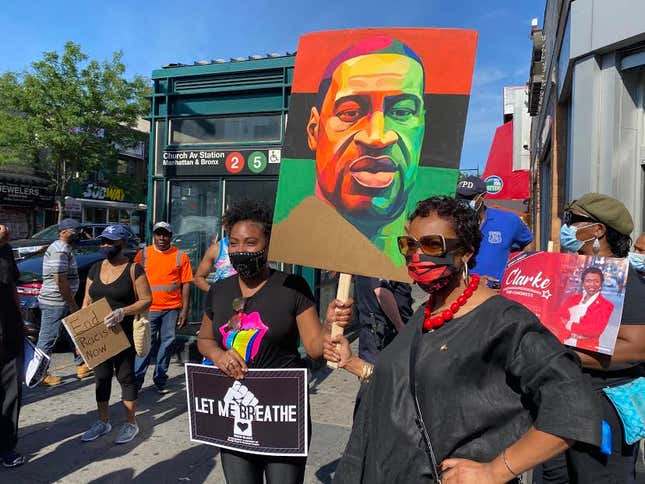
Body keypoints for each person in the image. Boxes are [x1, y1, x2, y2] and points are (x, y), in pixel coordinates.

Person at [325, 196, 601, 484]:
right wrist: (353, 362)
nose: (417, 256)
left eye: (433, 245)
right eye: (409, 245)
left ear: (466, 253)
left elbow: (575, 406)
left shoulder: (507, 322)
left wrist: (496, 470)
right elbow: (406, 385)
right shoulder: (427, 312)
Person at [197, 199, 352, 484]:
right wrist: (219, 356)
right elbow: (205, 339)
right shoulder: (218, 291)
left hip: (281, 413)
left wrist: (331, 324)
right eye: (233, 243)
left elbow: (316, 349)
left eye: (250, 243)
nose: (240, 250)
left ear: (268, 246)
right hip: (234, 413)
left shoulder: (292, 287)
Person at [272, 36, 427, 276]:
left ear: (423, 129)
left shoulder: (429, 262)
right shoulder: (288, 239)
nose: (377, 137)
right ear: (314, 130)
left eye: (402, 111)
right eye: (350, 112)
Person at [539, 193, 645, 483]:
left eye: (574, 222)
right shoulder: (573, 274)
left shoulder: (626, 279)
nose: (566, 228)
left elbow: (637, 347)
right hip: (563, 401)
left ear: (598, 230)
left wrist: (564, 355)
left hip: (604, 408)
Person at [80, 225, 152, 444]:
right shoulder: (95, 269)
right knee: (101, 377)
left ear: (121, 244)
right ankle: (103, 421)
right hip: (99, 335)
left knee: (125, 377)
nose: (105, 246)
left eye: (110, 242)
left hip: (124, 334)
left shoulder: (134, 269)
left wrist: (123, 311)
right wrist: (81, 332)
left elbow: (146, 299)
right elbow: (87, 301)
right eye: (103, 242)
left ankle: (131, 423)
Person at [134, 221, 193, 393]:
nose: (161, 237)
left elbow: (186, 284)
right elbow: (134, 280)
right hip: (148, 309)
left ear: (170, 236)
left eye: (165, 234)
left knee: (167, 344)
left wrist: (184, 309)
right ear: (153, 235)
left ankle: (160, 380)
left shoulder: (180, 256)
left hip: (172, 308)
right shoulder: (142, 255)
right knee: (145, 345)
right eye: (158, 234)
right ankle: (136, 382)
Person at [36, 218, 91, 385]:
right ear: (63, 232)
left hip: (62, 300)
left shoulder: (65, 248)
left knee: (72, 333)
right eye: (75, 231)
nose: (78, 234)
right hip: (56, 302)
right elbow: (60, 280)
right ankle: (40, 374)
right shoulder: (60, 250)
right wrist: (72, 303)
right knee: (48, 338)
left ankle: (81, 365)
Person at [456, 176, 533, 286]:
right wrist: (475, 280)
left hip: (498, 293)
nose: (463, 202)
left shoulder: (509, 220)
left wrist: (520, 272)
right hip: (463, 291)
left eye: (469, 197)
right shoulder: (452, 222)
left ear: (482, 197)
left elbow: (528, 243)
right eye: (459, 197)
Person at [0, 224, 25, 467]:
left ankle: (7, 447)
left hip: (10, 335)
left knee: (11, 394)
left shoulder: (6, 250)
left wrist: (21, 319)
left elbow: (12, 287)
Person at [353, 276, 412, 364]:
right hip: (383, 334)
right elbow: (381, 293)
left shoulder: (395, 262)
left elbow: (401, 267)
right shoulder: (378, 265)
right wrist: (400, 326)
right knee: (381, 372)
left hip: (375, 330)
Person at [554, 267, 614, 351]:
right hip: (563, 341)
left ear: (601, 283)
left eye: (596, 281)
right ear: (583, 283)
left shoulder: (606, 305)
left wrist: (569, 324)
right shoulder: (573, 298)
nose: (592, 285)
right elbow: (558, 317)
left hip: (586, 348)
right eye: (588, 281)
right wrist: (575, 332)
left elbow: (596, 330)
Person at [194, 226, 237, 293]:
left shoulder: (250, 248)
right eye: (232, 224)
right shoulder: (216, 249)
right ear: (225, 226)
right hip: (222, 300)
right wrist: (213, 293)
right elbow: (198, 278)